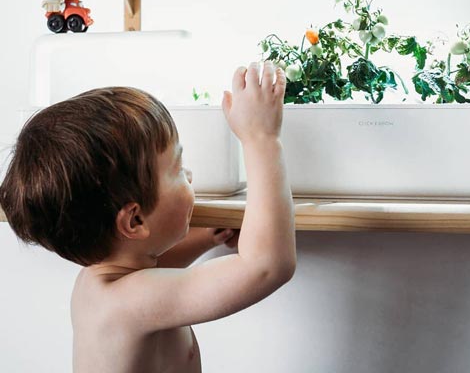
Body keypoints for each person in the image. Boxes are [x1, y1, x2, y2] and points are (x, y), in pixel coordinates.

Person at [0, 60, 296, 372]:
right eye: (178, 169)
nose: (190, 175)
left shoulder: (98, 282)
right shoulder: (131, 304)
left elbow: (152, 265)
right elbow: (266, 267)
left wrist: (206, 237)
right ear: (135, 221)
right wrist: (261, 139)